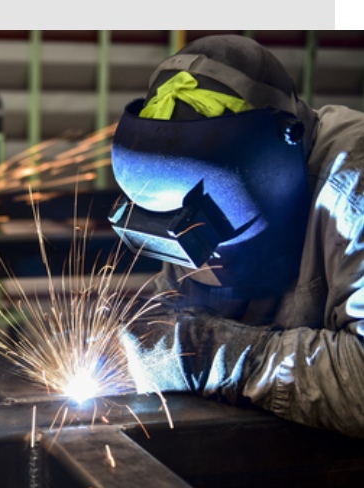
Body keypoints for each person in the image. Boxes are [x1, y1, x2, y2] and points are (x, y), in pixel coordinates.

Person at [109, 35, 364, 439]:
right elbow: (179, 315)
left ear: (266, 170)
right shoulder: (195, 190)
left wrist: (215, 355)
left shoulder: (353, 188)